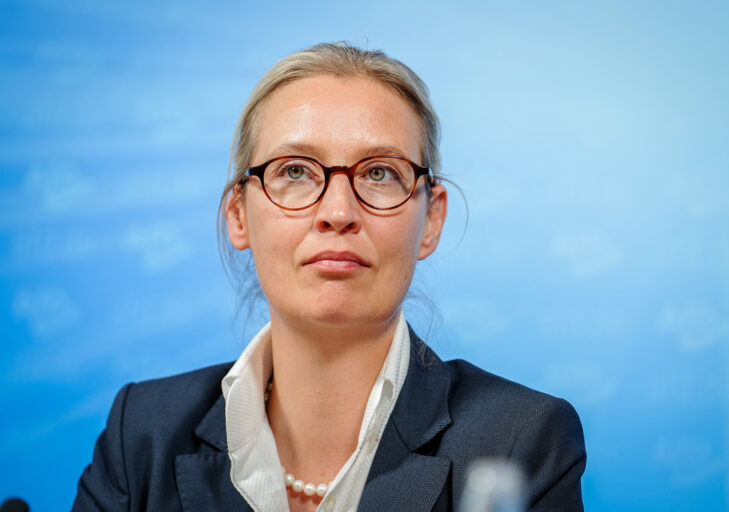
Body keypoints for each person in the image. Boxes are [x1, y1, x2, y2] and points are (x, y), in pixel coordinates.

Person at [72, 42, 586, 512]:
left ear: (431, 220)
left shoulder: (521, 441)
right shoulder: (141, 433)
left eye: (380, 173)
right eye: (295, 171)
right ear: (238, 215)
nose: (338, 212)